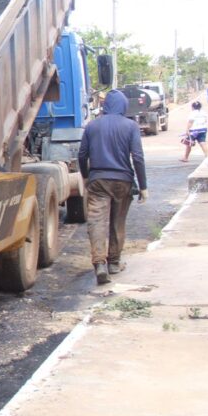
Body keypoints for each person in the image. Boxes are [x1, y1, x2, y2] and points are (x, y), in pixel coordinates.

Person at [78, 89, 148, 285]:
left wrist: (86, 177)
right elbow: (138, 157)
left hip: (98, 181)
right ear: (123, 106)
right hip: (123, 181)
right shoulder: (131, 126)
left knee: (97, 222)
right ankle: (114, 263)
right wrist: (143, 186)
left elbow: (82, 155)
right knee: (118, 221)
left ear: (105, 106)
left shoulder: (92, 126)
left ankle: (99, 263)